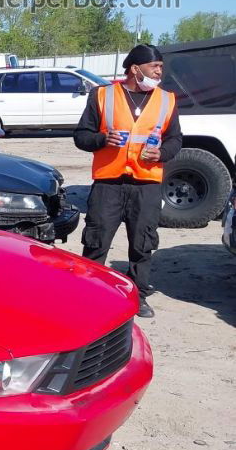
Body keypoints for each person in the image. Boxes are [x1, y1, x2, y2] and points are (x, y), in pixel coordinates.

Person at [74, 44, 182, 318]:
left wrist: (163, 152)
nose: (159, 71)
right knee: (96, 241)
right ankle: (88, 295)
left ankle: (139, 296)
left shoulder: (167, 99)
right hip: (109, 183)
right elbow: (81, 136)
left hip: (146, 184)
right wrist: (101, 139)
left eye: (160, 66)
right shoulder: (102, 95)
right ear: (136, 69)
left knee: (143, 244)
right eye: (154, 66)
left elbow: (175, 140)